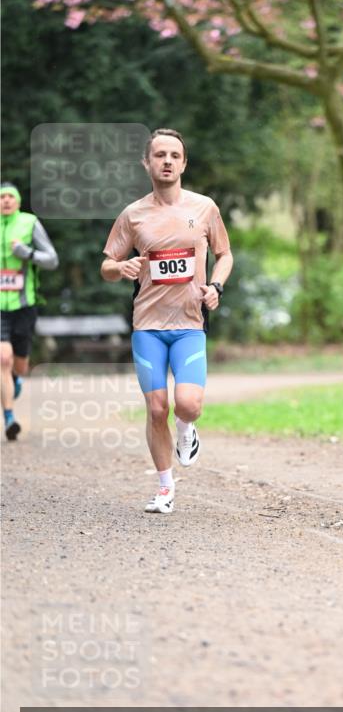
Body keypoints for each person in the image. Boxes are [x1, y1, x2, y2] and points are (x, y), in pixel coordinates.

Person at [101, 129, 233, 514]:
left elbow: (225, 255)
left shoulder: (204, 208)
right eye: (160, 155)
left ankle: (187, 430)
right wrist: (120, 267)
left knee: (187, 405)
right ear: (147, 163)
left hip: (190, 323)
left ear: (184, 163)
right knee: (157, 409)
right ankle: (164, 487)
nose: (167, 161)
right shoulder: (133, 214)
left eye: (175, 155)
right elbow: (107, 264)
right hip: (148, 326)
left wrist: (216, 287)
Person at [1, 182, 59, 440]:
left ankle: (16, 379)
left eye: (10, 196)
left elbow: (52, 259)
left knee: (19, 365)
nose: (5, 200)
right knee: (3, 359)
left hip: (25, 305)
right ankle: (9, 418)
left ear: (17, 201)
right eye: (1, 197)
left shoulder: (29, 223)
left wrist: (26, 253)